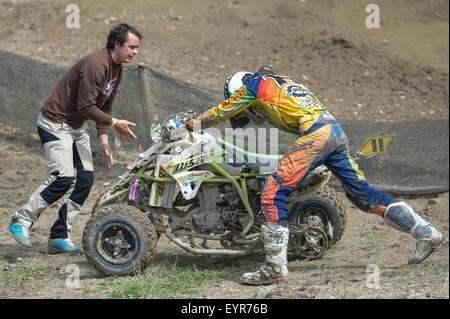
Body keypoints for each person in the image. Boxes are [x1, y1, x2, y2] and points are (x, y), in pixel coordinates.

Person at [186, 65, 445, 285]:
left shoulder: (254, 84)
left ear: (238, 89)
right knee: (363, 196)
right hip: (334, 133)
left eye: (247, 109)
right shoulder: (283, 83)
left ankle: (275, 268)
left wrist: (192, 124)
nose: (252, 117)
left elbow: (224, 110)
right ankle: (425, 231)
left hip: (316, 135)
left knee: (273, 191)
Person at [7, 23, 141, 254]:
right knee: (62, 178)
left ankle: (59, 235)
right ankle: (20, 220)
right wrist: (115, 123)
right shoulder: (95, 65)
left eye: (137, 48)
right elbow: (86, 106)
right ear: (116, 44)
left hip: (75, 126)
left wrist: (104, 139)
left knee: (85, 179)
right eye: (132, 47)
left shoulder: (117, 68)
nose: (135, 52)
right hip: (54, 123)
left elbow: (105, 105)